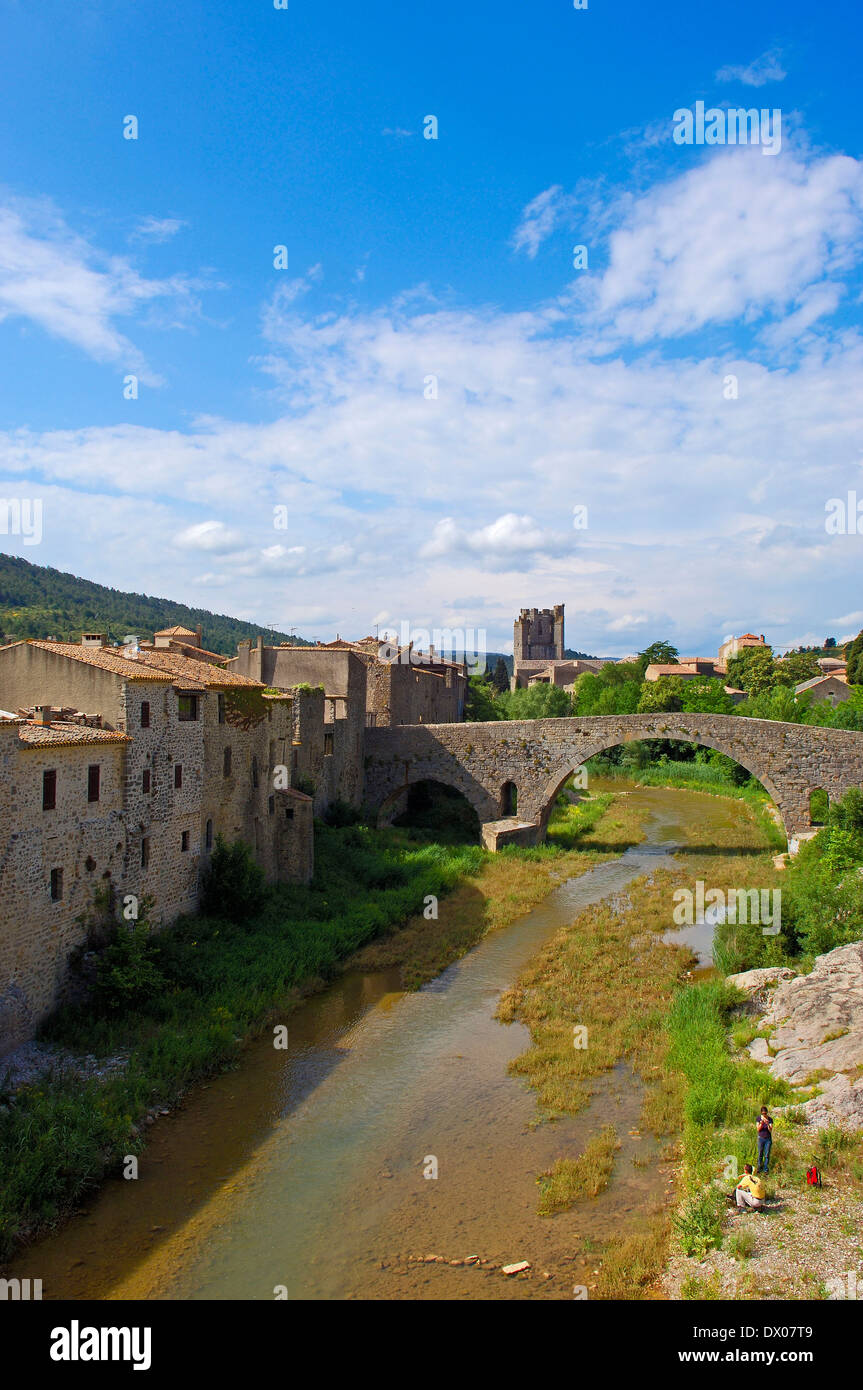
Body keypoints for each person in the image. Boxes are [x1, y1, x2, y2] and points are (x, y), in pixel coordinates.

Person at [756, 1106, 773, 1174]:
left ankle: (766, 1169)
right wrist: (761, 1123)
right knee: (760, 1153)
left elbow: (770, 1130)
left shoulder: (770, 1119)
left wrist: (767, 1124)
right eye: (763, 1113)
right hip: (761, 1138)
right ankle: (759, 1167)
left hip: (768, 1139)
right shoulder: (758, 1118)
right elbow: (758, 1129)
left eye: (765, 1113)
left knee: (767, 1154)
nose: (764, 1115)